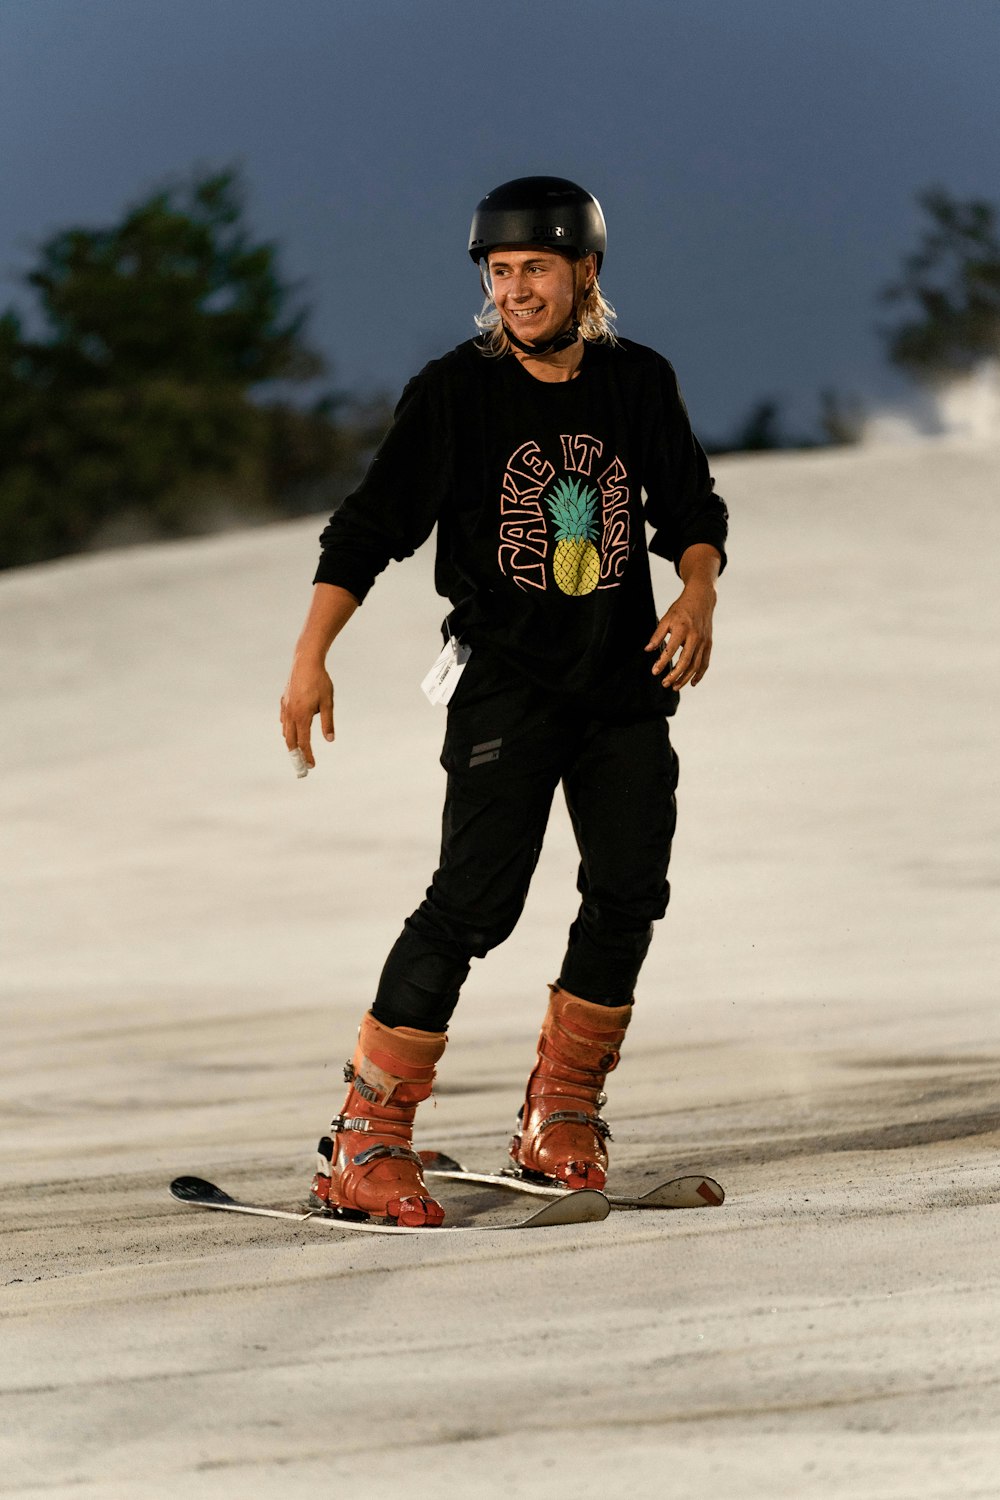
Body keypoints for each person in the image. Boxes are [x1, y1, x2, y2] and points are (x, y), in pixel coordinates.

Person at [280, 176, 728, 1227]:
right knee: (474, 904)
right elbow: (368, 527)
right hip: (503, 689)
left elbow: (690, 506)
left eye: (534, 268)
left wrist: (696, 591)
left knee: (628, 892)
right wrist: (311, 656)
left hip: (624, 686)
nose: (515, 289)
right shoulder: (456, 393)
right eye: (499, 270)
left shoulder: (636, 382)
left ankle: (557, 1115)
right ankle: (364, 1136)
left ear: (584, 273)